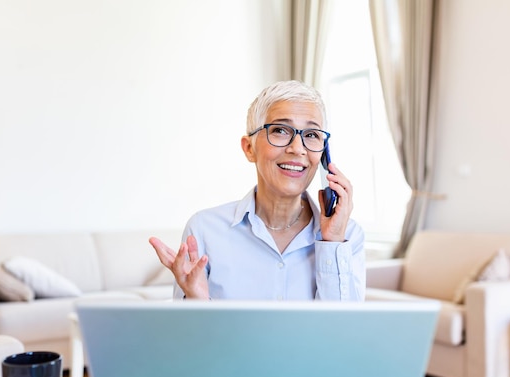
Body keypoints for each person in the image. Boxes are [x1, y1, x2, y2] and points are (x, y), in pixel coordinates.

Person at [149, 80, 365, 301]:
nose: (298, 149)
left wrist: (333, 243)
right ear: (249, 148)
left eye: (311, 135)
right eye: (280, 130)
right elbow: (187, 335)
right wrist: (198, 301)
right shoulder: (204, 230)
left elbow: (342, 332)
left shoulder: (348, 237)